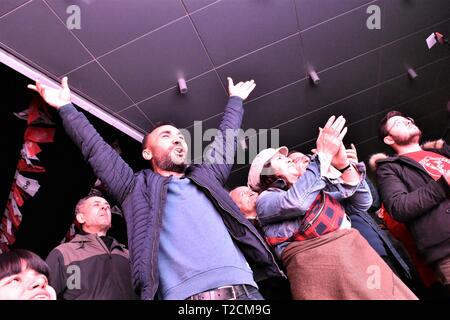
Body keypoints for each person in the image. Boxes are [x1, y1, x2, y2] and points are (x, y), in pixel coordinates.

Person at [28, 77, 284, 300]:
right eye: (166, 135)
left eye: (180, 136)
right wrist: (66, 108)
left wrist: (236, 100)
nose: (177, 138)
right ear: (147, 152)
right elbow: (96, 149)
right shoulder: (134, 189)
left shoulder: (207, 176)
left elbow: (226, 140)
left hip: (246, 292)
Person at [247, 115, 417, 299]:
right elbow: (296, 203)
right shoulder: (266, 200)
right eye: (279, 158)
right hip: (320, 271)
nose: (287, 158)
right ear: (267, 173)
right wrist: (323, 155)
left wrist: (344, 166)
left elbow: (362, 202)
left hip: (356, 257)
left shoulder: (319, 191)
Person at [288, 148, 415, 288]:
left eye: (306, 157)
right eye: (295, 160)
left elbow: (373, 203)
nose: (305, 160)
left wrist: (350, 166)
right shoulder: (296, 199)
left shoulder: (334, 175)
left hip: (380, 245)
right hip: (352, 257)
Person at [375, 111, 450, 292]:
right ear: (389, 139)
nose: (408, 121)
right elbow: (399, 207)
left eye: (408, 119)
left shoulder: (441, 152)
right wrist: (443, 185)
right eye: (399, 123)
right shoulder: (390, 168)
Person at [45, 195, 136, 300]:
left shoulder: (128, 254)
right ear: (81, 218)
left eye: (107, 206)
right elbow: (46, 294)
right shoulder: (64, 253)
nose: (105, 208)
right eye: (96, 204)